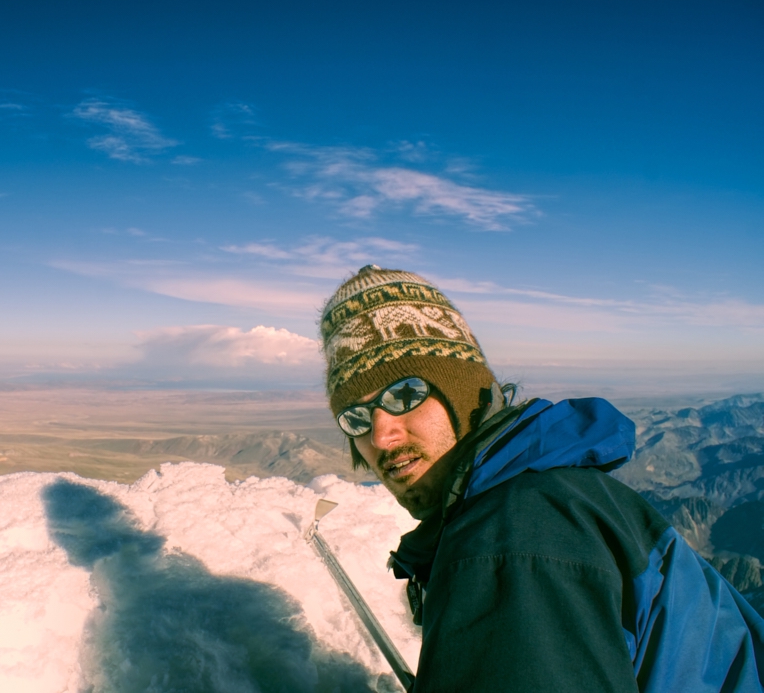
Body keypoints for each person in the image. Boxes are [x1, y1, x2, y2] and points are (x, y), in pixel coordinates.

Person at [320, 264, 764, 693]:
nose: (381, 434)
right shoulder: (556, 492)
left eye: (403, 394)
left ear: (459, 389)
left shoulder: (512, 538)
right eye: (354, 417)